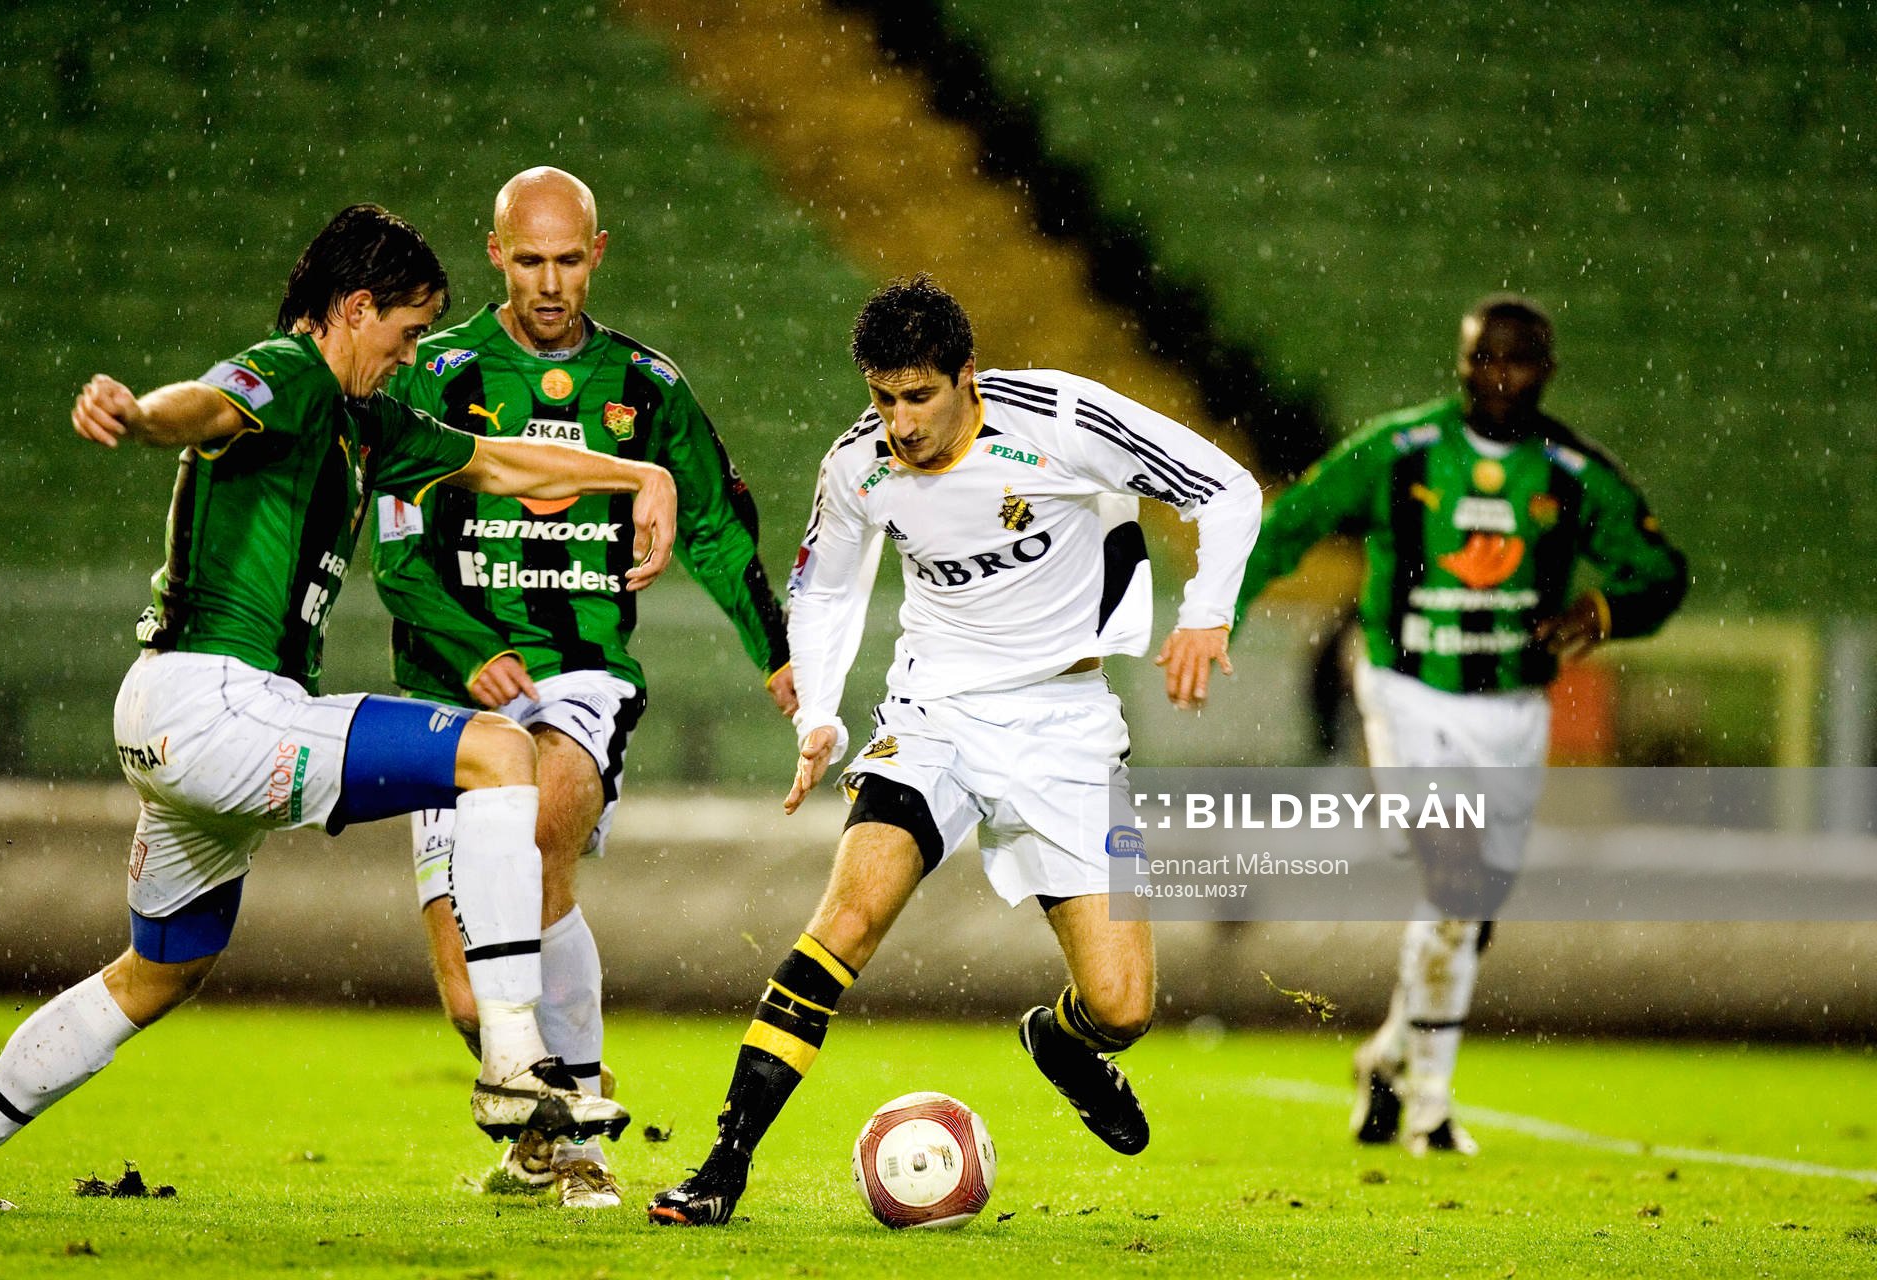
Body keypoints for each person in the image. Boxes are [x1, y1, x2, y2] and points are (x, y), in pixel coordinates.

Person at [0, 204, 680, 1212]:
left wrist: (638, 470)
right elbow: (209, 407)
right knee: (498, 755)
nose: (411, 351)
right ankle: (517, 1054)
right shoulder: (291, 371)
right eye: (408, 328)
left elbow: (499, 461)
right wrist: (140, 414)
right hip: (215, 699)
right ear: (353, 308)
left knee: (161, 969)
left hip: (180, 723)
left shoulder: (363, 421)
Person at [648, 274, 1263, 1226]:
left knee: (1125, 1008)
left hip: (1068, 727)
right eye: (882, 397)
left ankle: (1061, 1042)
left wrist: (1208, 614)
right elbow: (827, 591)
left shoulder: (1060, 419)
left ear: (967, 377)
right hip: (932, 714)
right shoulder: (858, 465)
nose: (899, 422)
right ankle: (723, 1163)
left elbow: (1227, 489)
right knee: (847, 920)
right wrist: (820, 713)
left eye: (919, 396)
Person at [373, 167, 794, 1209]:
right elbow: (394, 552)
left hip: (579, 679)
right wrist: (469, 644)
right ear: (495, 253)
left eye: (569, 259)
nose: (551, 282)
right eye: (530, 260)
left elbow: (714, 527)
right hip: (451, 688)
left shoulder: (648, 388)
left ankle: (588, 1137)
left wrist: (781, 657)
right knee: (476, 999)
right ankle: (539, 1131)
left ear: (597, 254)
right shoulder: (436, 374)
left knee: (537, 831)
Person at [1231, 294, 1688, 1155]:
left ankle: (1386, 1058)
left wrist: (1601, 609)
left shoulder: (1571, 473)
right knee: (1454, 878)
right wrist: (1219, 613)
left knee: (1471, 913)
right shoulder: (1402, 449)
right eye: (1483, 358)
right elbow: (1294, 520)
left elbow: (1663, 573)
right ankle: (1431, 1110)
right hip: (1406, 691)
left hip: (1513, 710)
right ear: (1461, 362)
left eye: (1516, 361)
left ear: (1547, 369)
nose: (1498, 376)